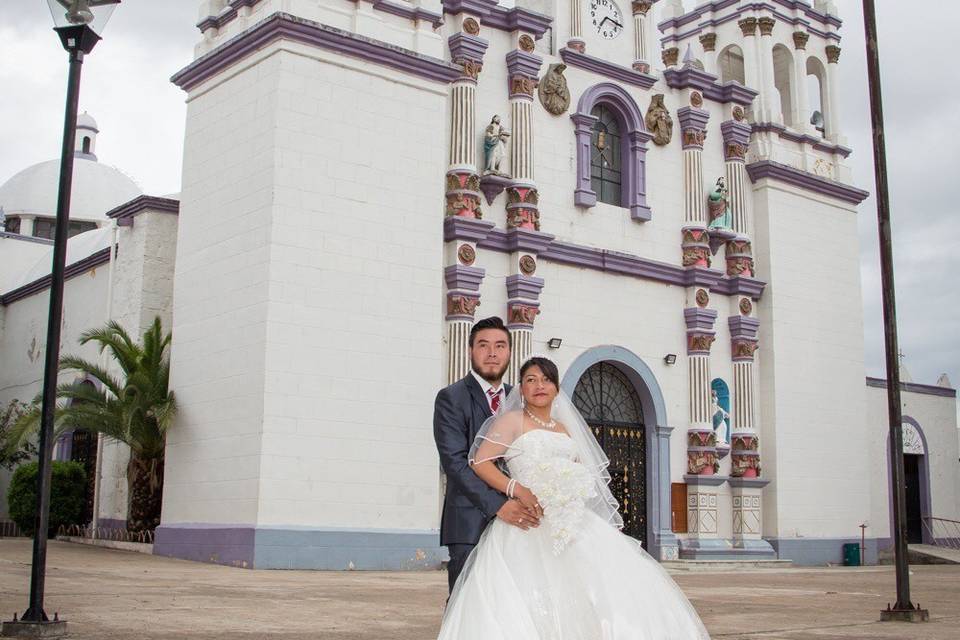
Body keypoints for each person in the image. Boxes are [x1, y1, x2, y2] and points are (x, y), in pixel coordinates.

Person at [437, 356, 711, 639]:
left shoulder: (564, 428)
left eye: (546, 379)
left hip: (571, 522)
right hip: (527, 522)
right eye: (531, 380)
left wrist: (572, 497)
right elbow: (480, 463)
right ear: (521, 388)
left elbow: (580, 472)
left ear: (556, 388)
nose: (539, 386)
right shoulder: (511, 421)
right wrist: (516, 489)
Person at [433, 317, 541, 595]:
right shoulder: (451, 398)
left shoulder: (519, 400)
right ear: (470, 351)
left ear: (509, 353)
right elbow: (455, 463)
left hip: (520, 525)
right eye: (483, 345)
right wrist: (498, 505)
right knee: (467, 606)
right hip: (470, 522)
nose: (492, 353)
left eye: (500, 346)